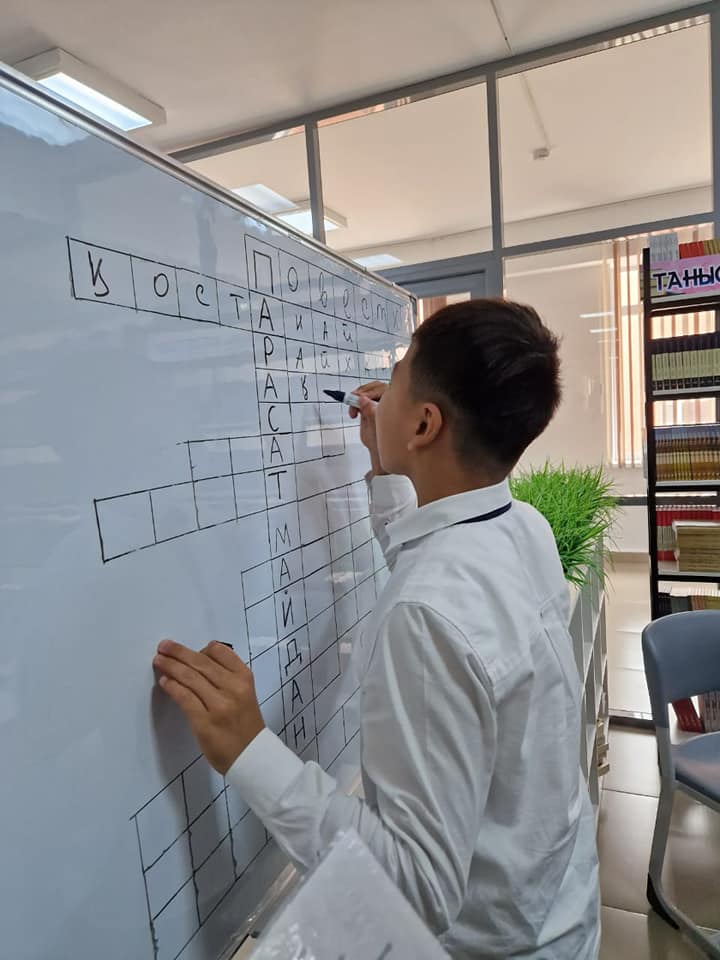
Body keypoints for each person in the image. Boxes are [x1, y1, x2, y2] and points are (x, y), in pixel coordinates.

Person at [153, 299, 601, 959]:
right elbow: (436, 570)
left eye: (396, 377)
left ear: (425, 423)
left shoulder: (426, 614)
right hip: (557, 909)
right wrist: (390, 467)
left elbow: (416, 888)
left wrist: (251, 751)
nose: (377, 394)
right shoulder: (520, 527)